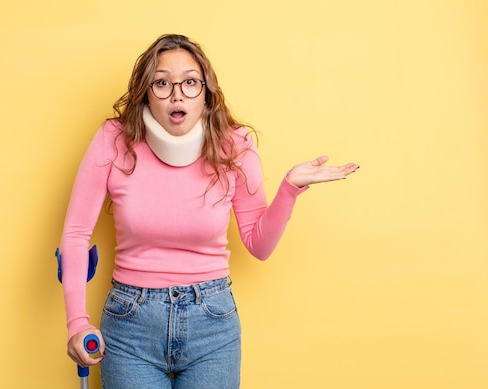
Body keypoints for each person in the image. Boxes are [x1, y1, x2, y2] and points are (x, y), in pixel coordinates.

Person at [59, 34, 359, 388]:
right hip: (131, 323)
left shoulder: (235, 144)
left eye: (189, 82)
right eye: (161, 83)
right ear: (145, 92)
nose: (177, 94)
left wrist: (290, 187)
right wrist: (77, 322)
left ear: (206, 92)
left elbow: (259, 246)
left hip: (212, 322)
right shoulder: (114, 139)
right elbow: (76, 234)